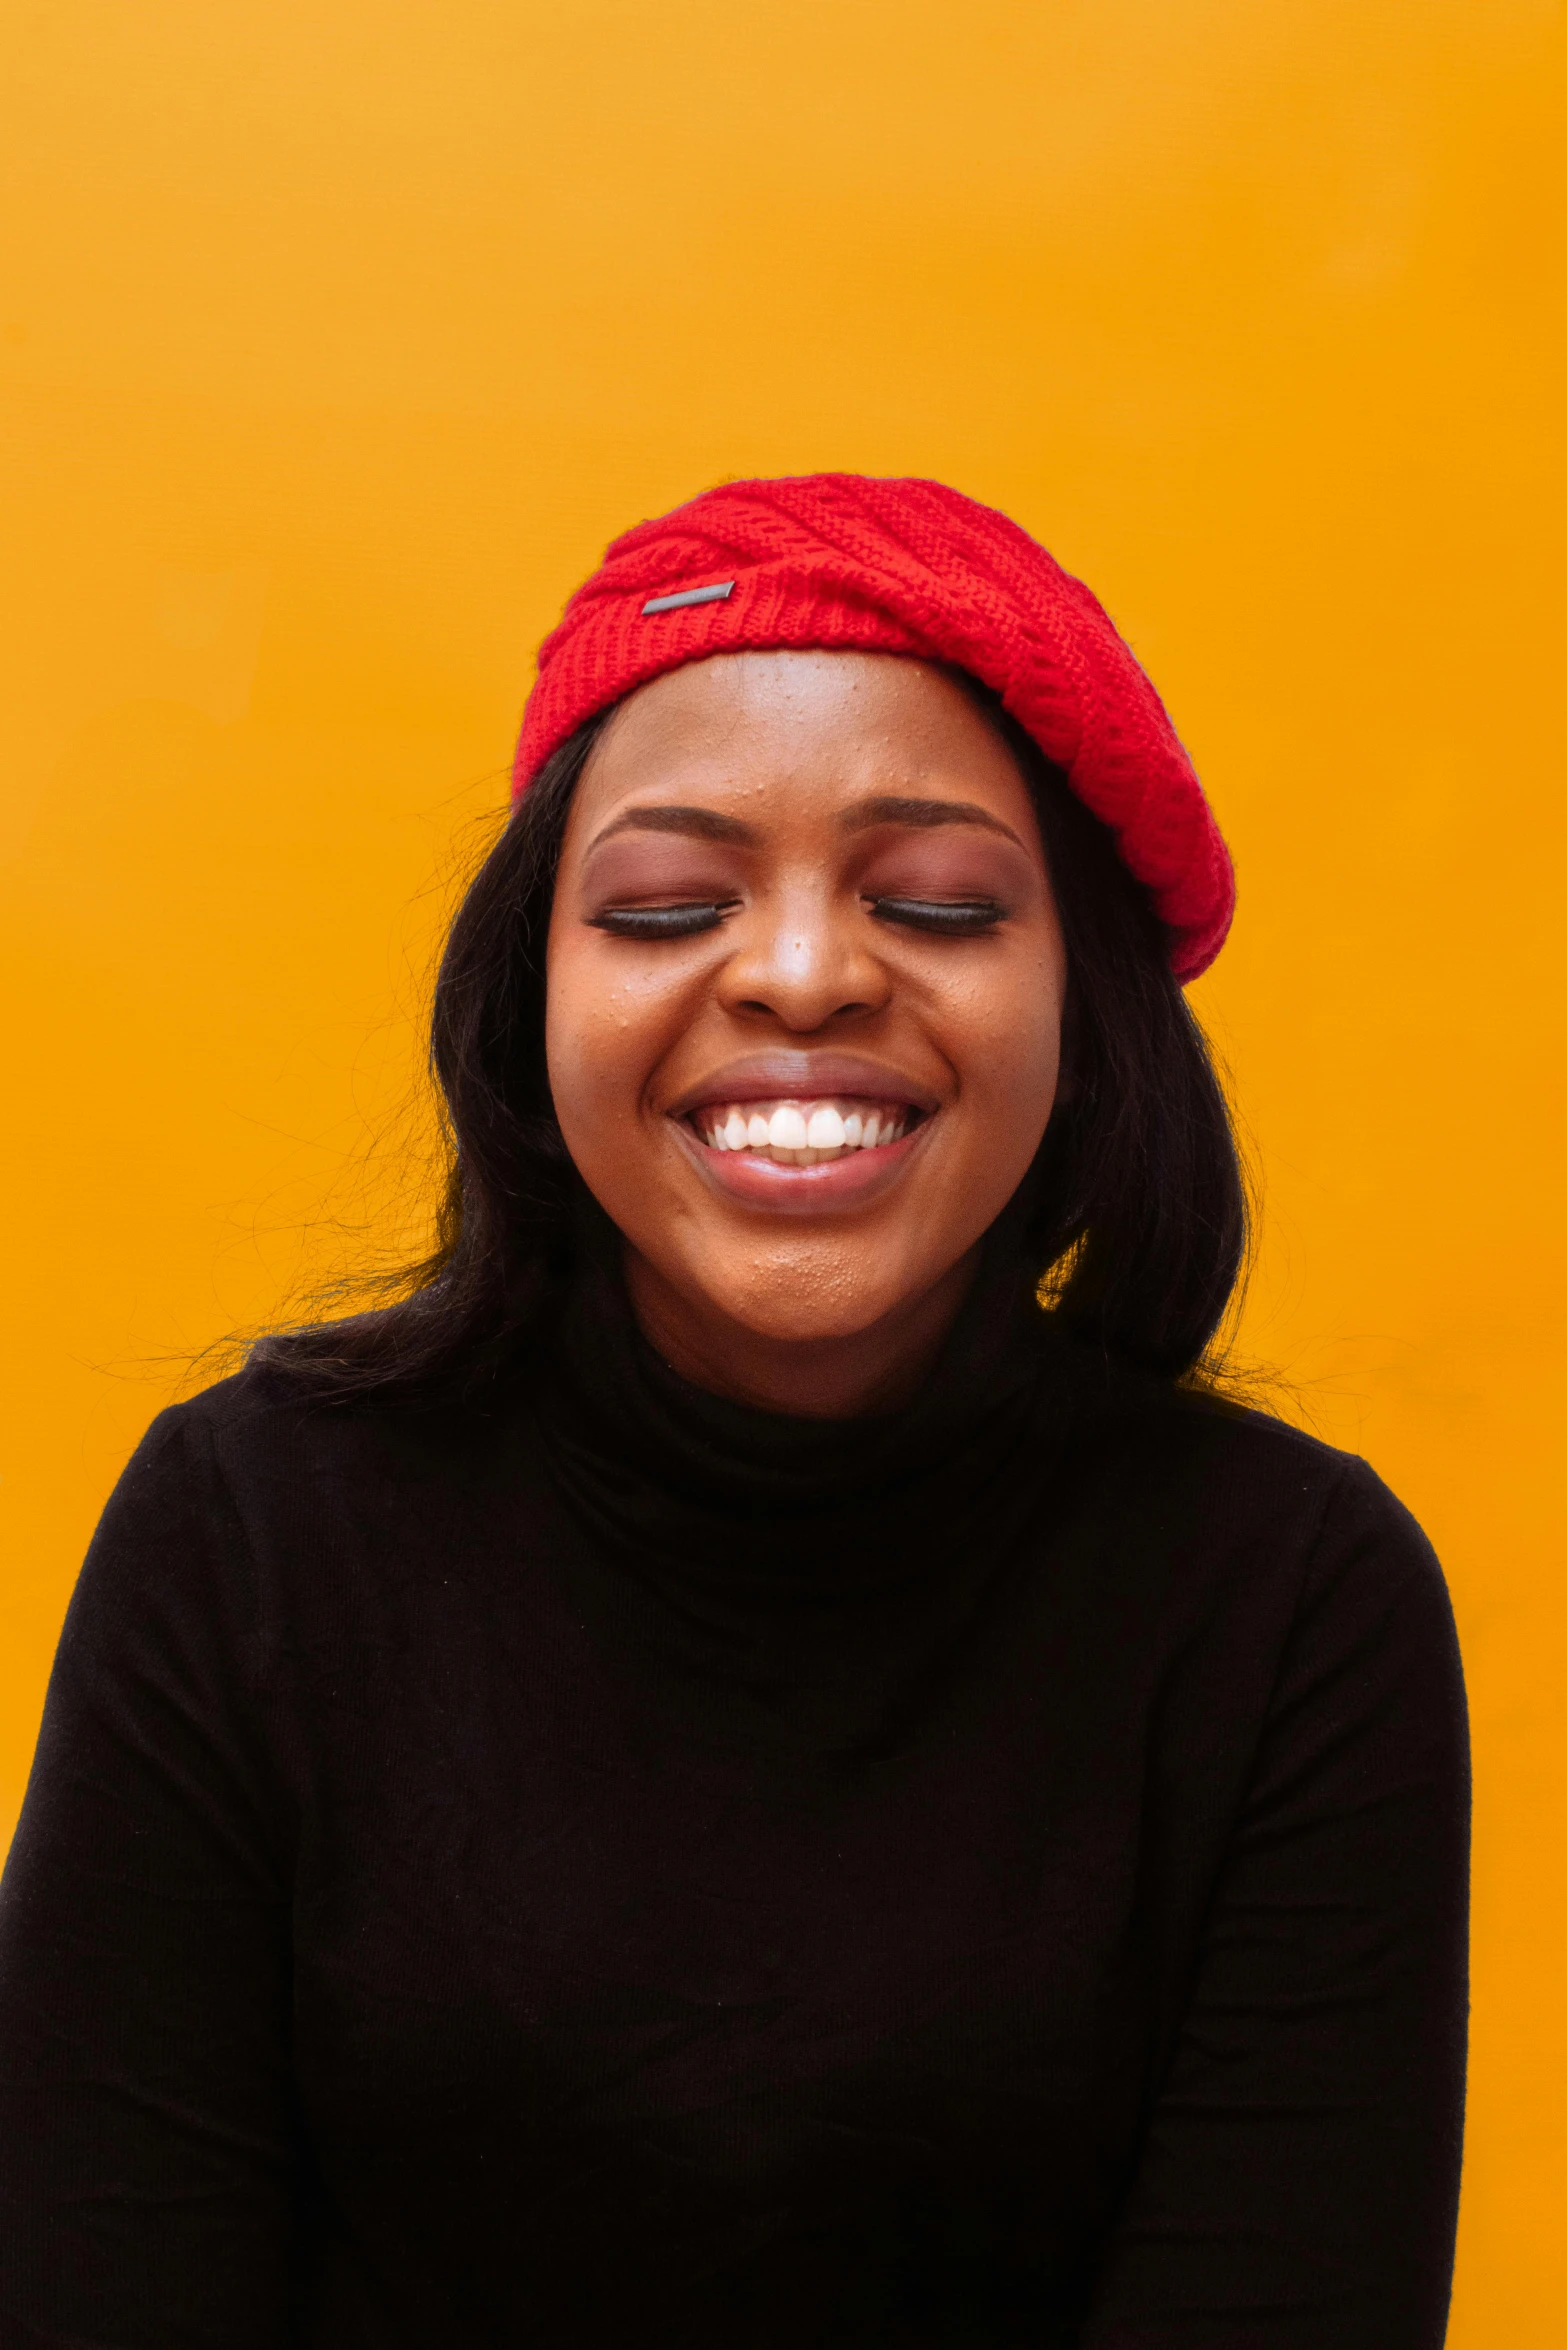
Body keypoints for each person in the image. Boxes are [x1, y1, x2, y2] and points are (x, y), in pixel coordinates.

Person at [0, 475, 1468, 2347]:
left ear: (1082, 1005)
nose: (796, 975)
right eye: (669, 901)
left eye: (932, 899)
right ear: (529, 999)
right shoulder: (247, 1527)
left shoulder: (1288, 1599)